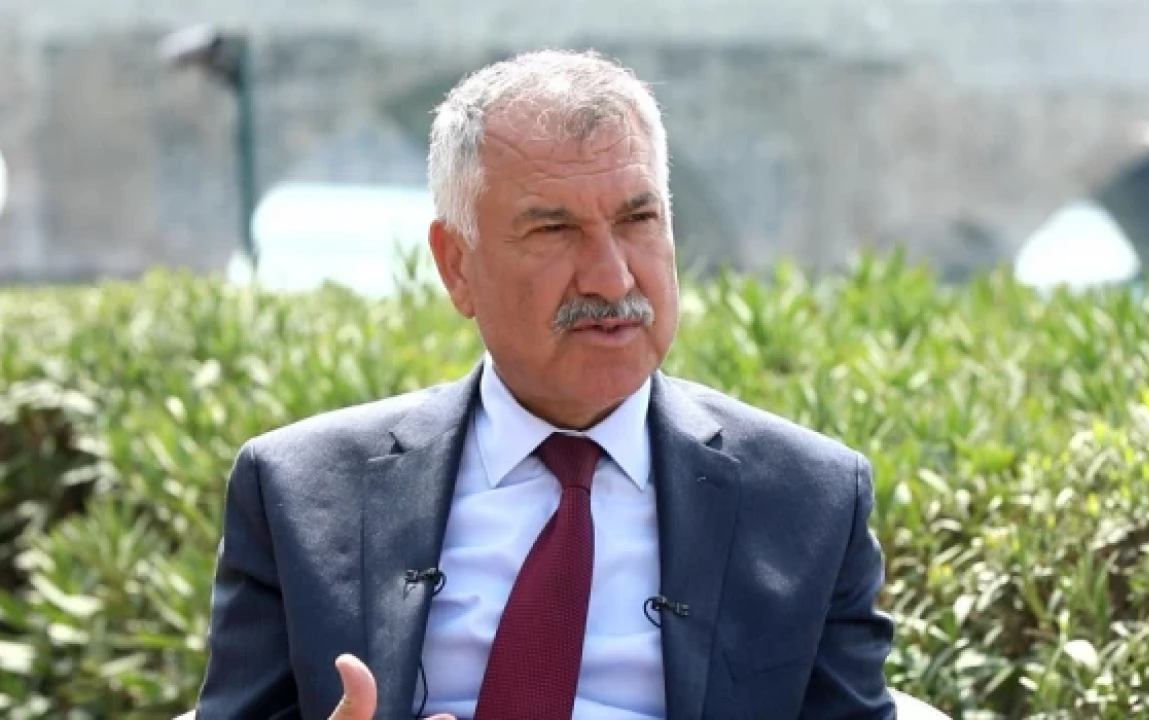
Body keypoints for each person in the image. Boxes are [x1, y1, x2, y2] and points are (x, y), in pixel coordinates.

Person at [195, 48, 896, 720]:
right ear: (456, 265)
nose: (612, 279)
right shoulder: (297, 491)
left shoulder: (811, 502)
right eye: (554, 230)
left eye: (638, 220)